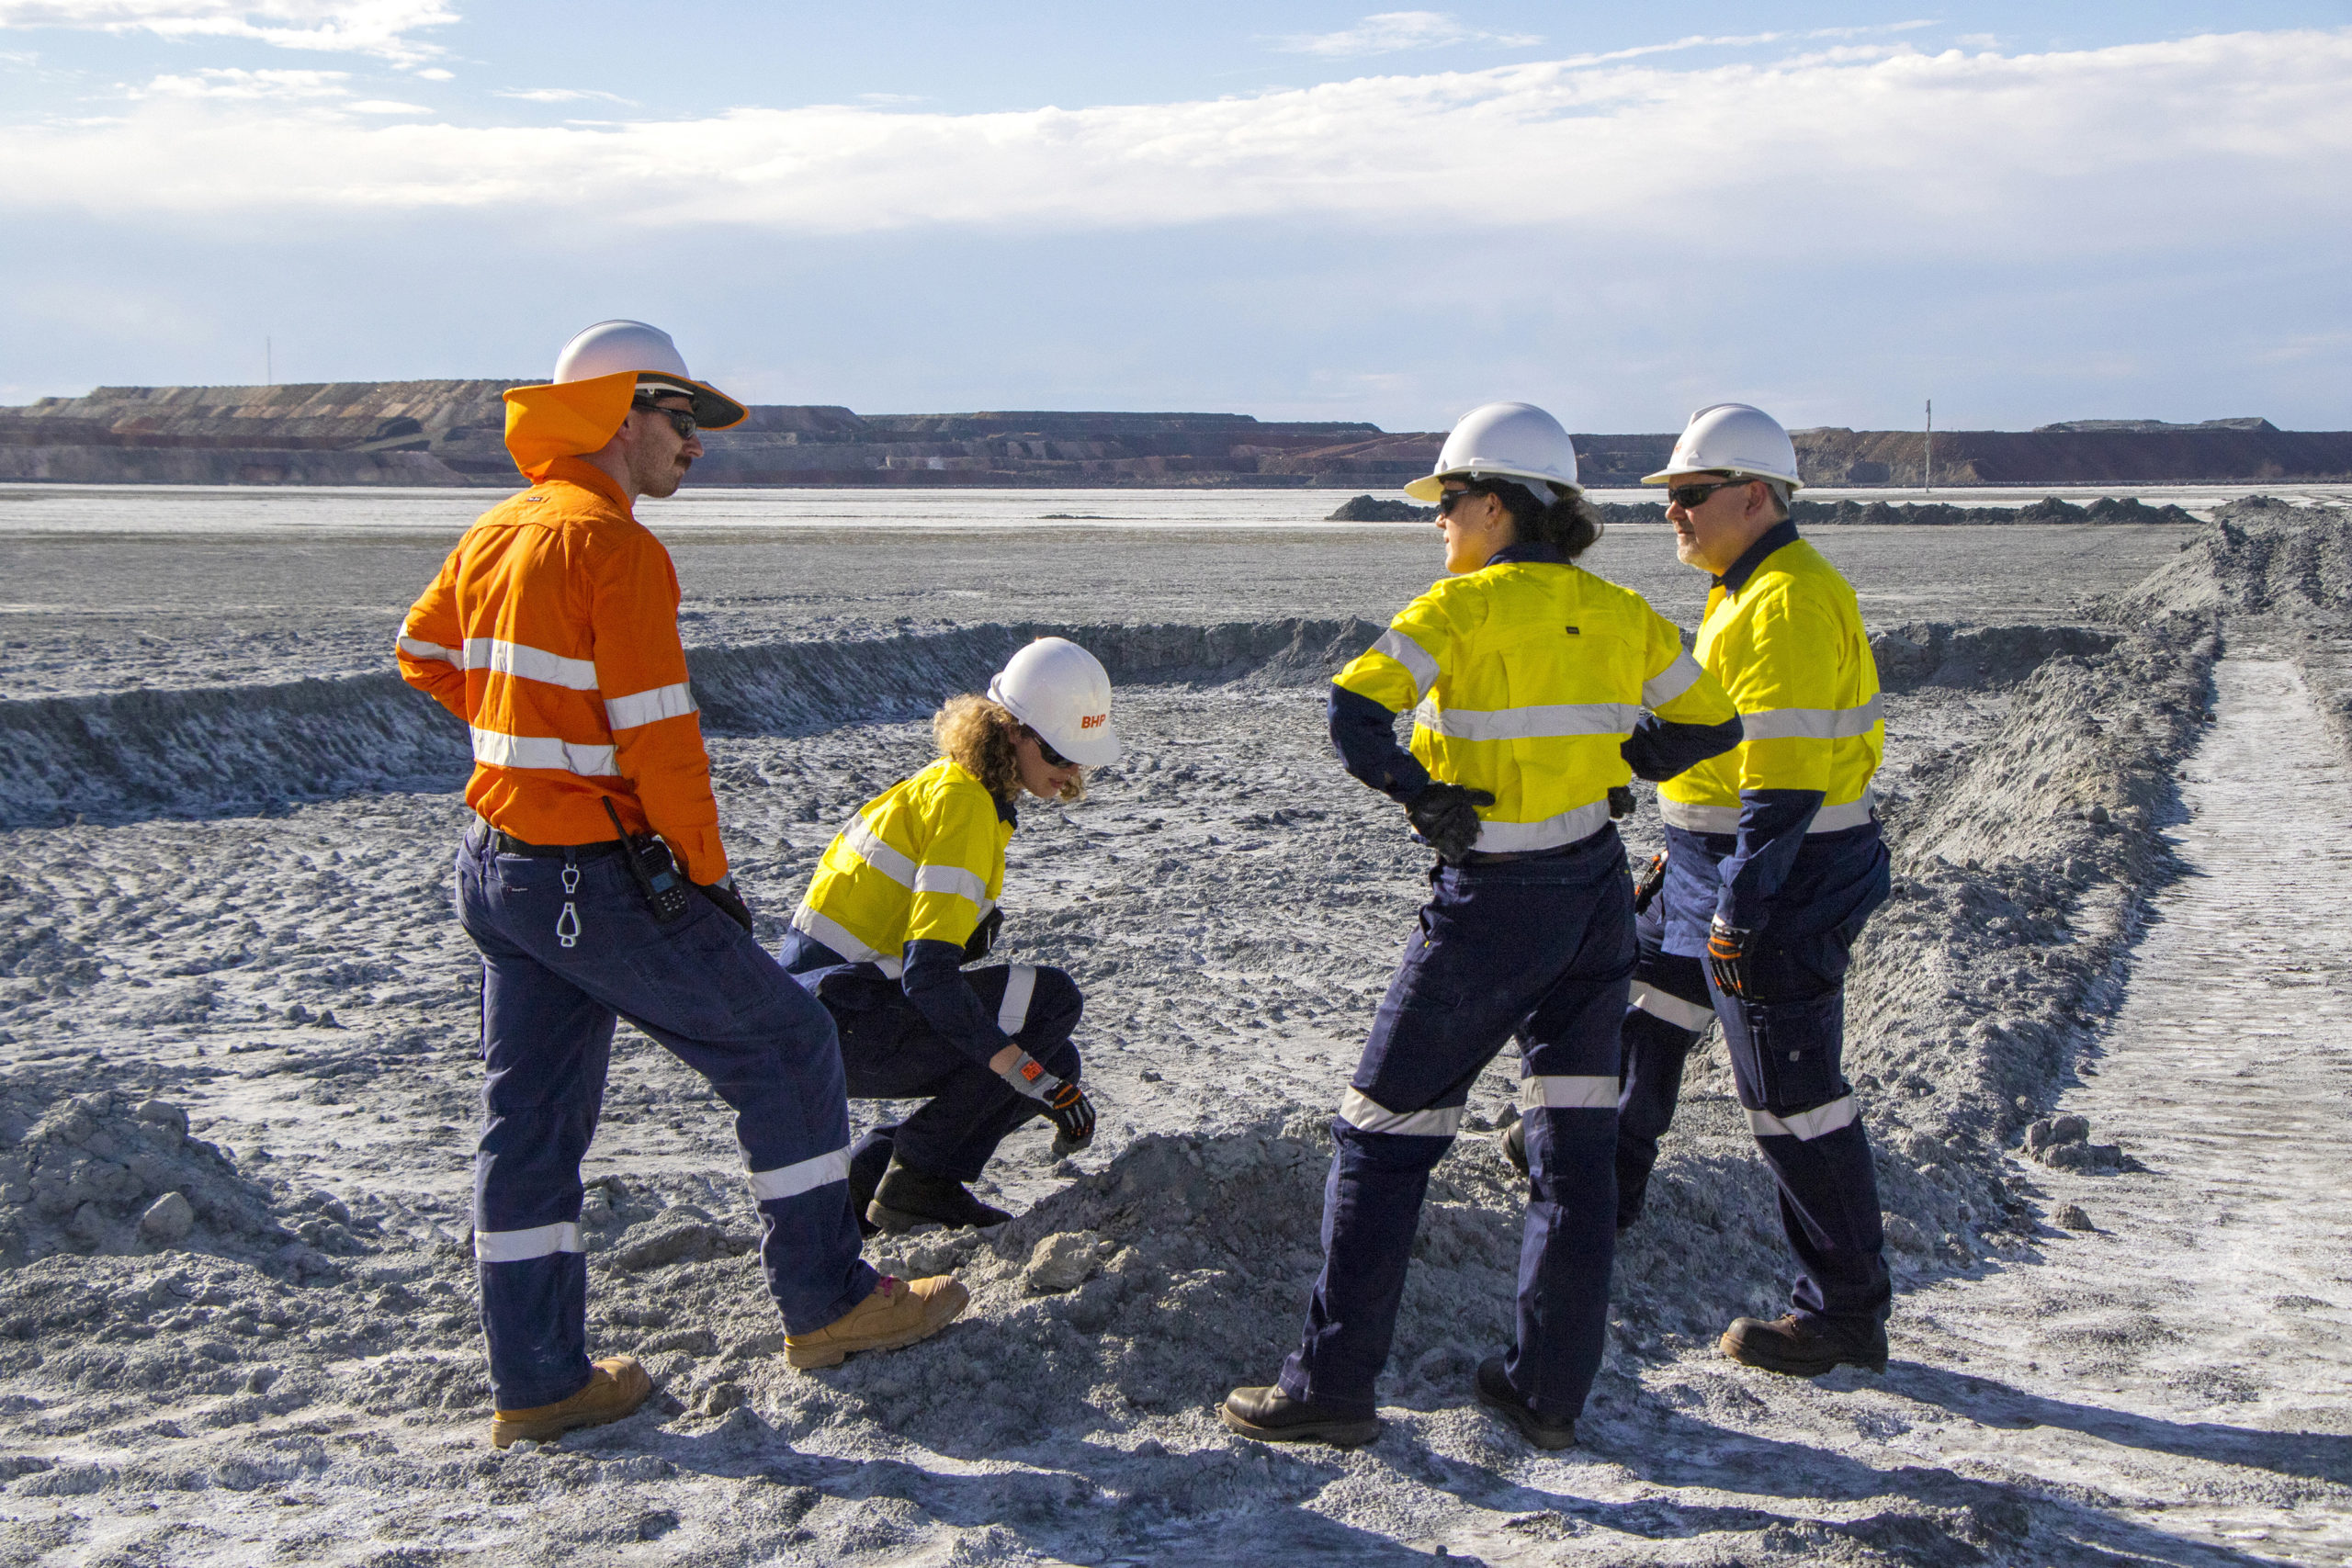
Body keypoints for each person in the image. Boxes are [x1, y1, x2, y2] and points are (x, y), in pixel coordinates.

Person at [396, 320, 967, 1450]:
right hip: (594, 875)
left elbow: (423, 653)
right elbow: (663, 747)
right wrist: (707, 883)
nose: (696, 441)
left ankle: (541, 1379)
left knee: (531, 1128)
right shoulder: (614, 549)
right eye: (681, 417)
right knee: (791, 1042)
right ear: (618, 413)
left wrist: (529, 745)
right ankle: (830, 1303)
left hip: (501, 869)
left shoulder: (500, 529)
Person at [1222, 402, 1742, 1450]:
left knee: (1381, 1136)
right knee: (1574, 1147)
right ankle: (1545, 1392)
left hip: (1490, 906)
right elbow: (1709, 722)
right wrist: (1622, 765)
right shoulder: (1619, 610)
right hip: (1595, 898)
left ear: (1497, 506)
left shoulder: (1455, 610)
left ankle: (1331, 1387)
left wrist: (1422, 797)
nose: (1439, 524)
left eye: (1449, 503)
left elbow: (1351, 712)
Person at [1611, 402, 1894, 1377]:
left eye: (1690, 495)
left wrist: (1738, 905)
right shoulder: (1747, 586)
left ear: (1755, 496)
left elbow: (1783, 782)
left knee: (1790, 1099)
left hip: (1781, 875)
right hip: (1710, 863)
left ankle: (1844, 1314)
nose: (1672, 514)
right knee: (1640, 1013)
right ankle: (1603, 1203)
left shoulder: (1784, 600)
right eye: (1671, 498)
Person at [781, 638, 1112, 1233]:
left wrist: (1037, 1073)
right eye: (1063, 752)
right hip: (836, 1023)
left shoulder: (960, 790)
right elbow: (929, 978)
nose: (1071, 772)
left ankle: (869, 1184)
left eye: (1081, 757)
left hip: (828, 1020)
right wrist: (1028, 1076)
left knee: (1054, 1055)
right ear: (1013, 731)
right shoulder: (963, 807)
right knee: (1053, 1005)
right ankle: (921, 1180)